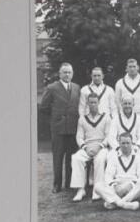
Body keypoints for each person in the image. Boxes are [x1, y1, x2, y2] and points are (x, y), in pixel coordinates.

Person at [40, 62, 80, 193]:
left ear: (72, 73)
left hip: (73, 128)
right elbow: (44, 108)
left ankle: (69, 183)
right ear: (60, 73)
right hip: (58, 129)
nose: (67, 74)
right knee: (58, 157)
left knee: (71, 157)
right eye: (65, 72)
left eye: (69, 72)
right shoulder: (52, 88)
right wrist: (55, 119)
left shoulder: (76, 87)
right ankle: (57, 184)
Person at [70, 93, 111, 201]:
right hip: (87, 147)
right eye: (91, 102)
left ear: (99, 103)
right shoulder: (82, 119)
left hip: (101, 147)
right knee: (76, 158)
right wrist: (85, 147)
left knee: (100, 159)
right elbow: (79, 137)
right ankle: (81, 189)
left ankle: (97, 190)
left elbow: (108, 136)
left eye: (95, 102)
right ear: (87, 104)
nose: (93, 105)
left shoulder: (106, 117)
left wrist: (100, 146)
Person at [94, 133, 140, 210]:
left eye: (128, 143)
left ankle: (115, 203)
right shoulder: (113, 157)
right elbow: (108, 175)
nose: (125, 146)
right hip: (117, 188)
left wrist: (131, 184)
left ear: (132, 143)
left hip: (132, 189)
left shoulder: (138, 157)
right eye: (123, 143)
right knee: (97, 186)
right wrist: (114, 185)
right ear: (119, 143)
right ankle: (125, 205)